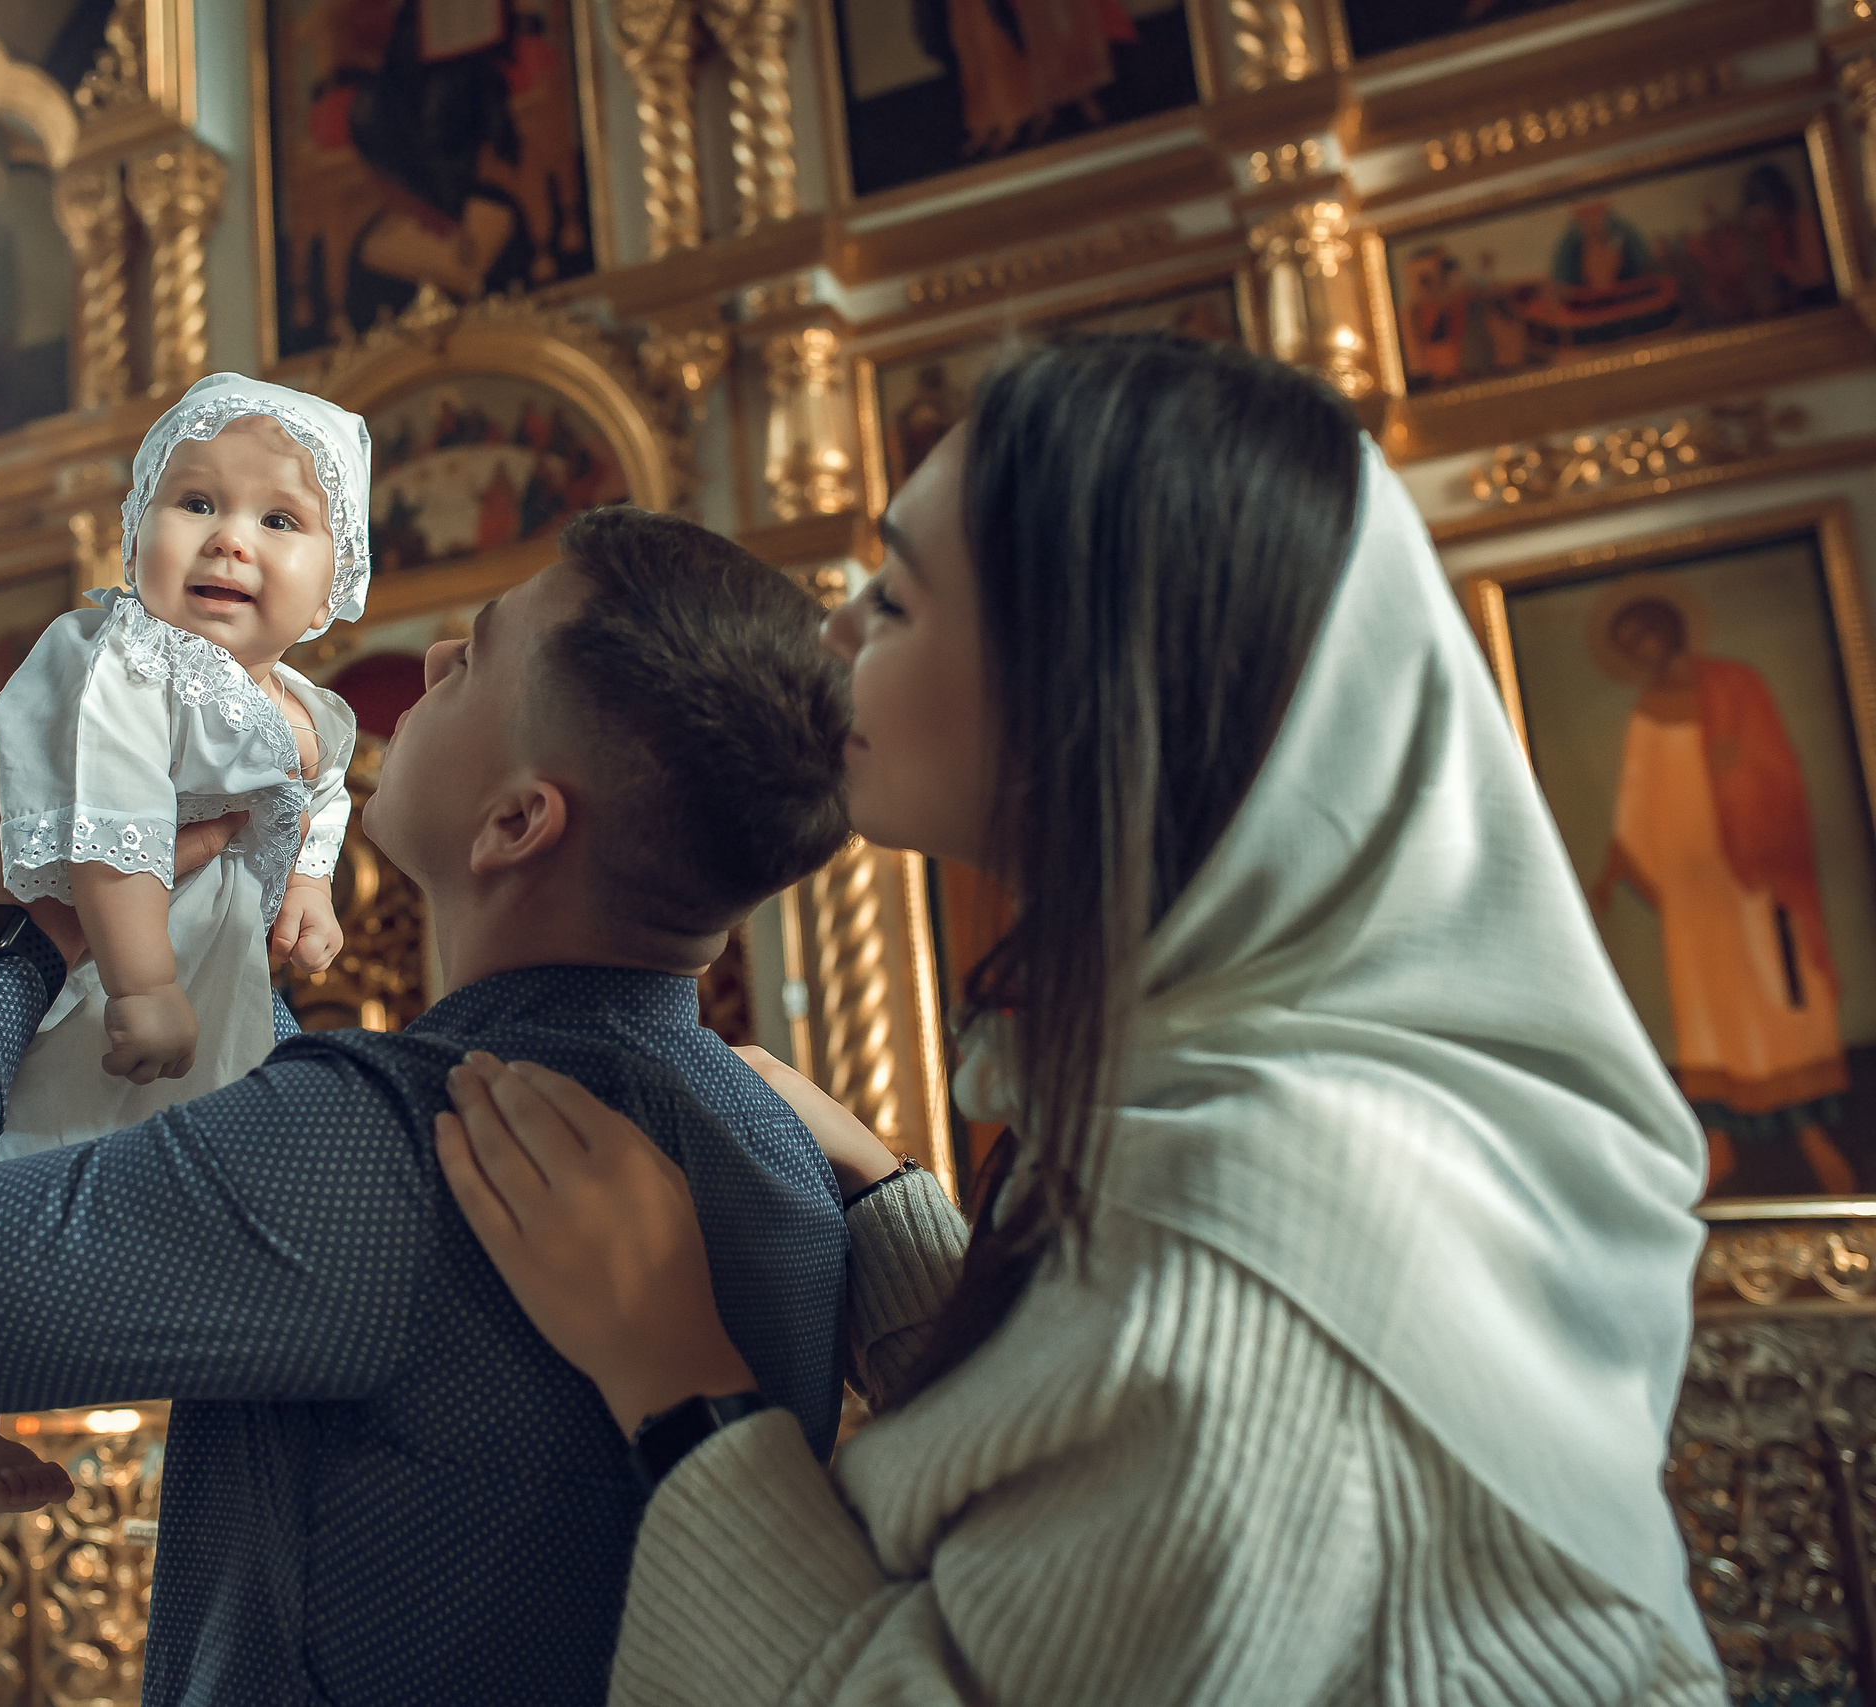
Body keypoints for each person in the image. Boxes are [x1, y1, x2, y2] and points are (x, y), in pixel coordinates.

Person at [434, 335, 1723, 1704]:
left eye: (899, 596)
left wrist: (675, 1372)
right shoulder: (1312, 1105)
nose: (839, 636)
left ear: (1089, 689)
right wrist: (884, 1204)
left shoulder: (1251, 1248)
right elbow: (1097, 1478)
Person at [0, 502, 858, 1705]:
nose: (427, 660)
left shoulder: (390, 1149)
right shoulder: (782, 1149)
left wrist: (10, 931)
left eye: (473, 655)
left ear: (517, 822)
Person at [0, 374, 367, 1523]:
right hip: (87, 958)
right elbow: (110, 826)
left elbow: (320, 795)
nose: (230, 538)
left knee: (159, 1168)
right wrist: (144, 981)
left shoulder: (309, 709)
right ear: (138, 532)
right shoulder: (122, 661)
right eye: (193, 503)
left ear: (336, 577)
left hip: (195, 970)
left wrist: (310, 886)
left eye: (280, 520)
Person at [1590, 584, 1849, 1196]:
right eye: (1631, 645)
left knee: (1775, 994)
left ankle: (1814, 1136)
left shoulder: (1735, 684)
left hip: (1750, 868)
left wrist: (1741, 770)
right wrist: (1616, 868)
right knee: (1705, 1002)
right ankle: (1719, 1142)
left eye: (1648, 633)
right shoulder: (1648, 707)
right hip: (1688, 887)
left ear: (1672, 628)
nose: (1644, 650)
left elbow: (1778, 767)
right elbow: (1637, 801)